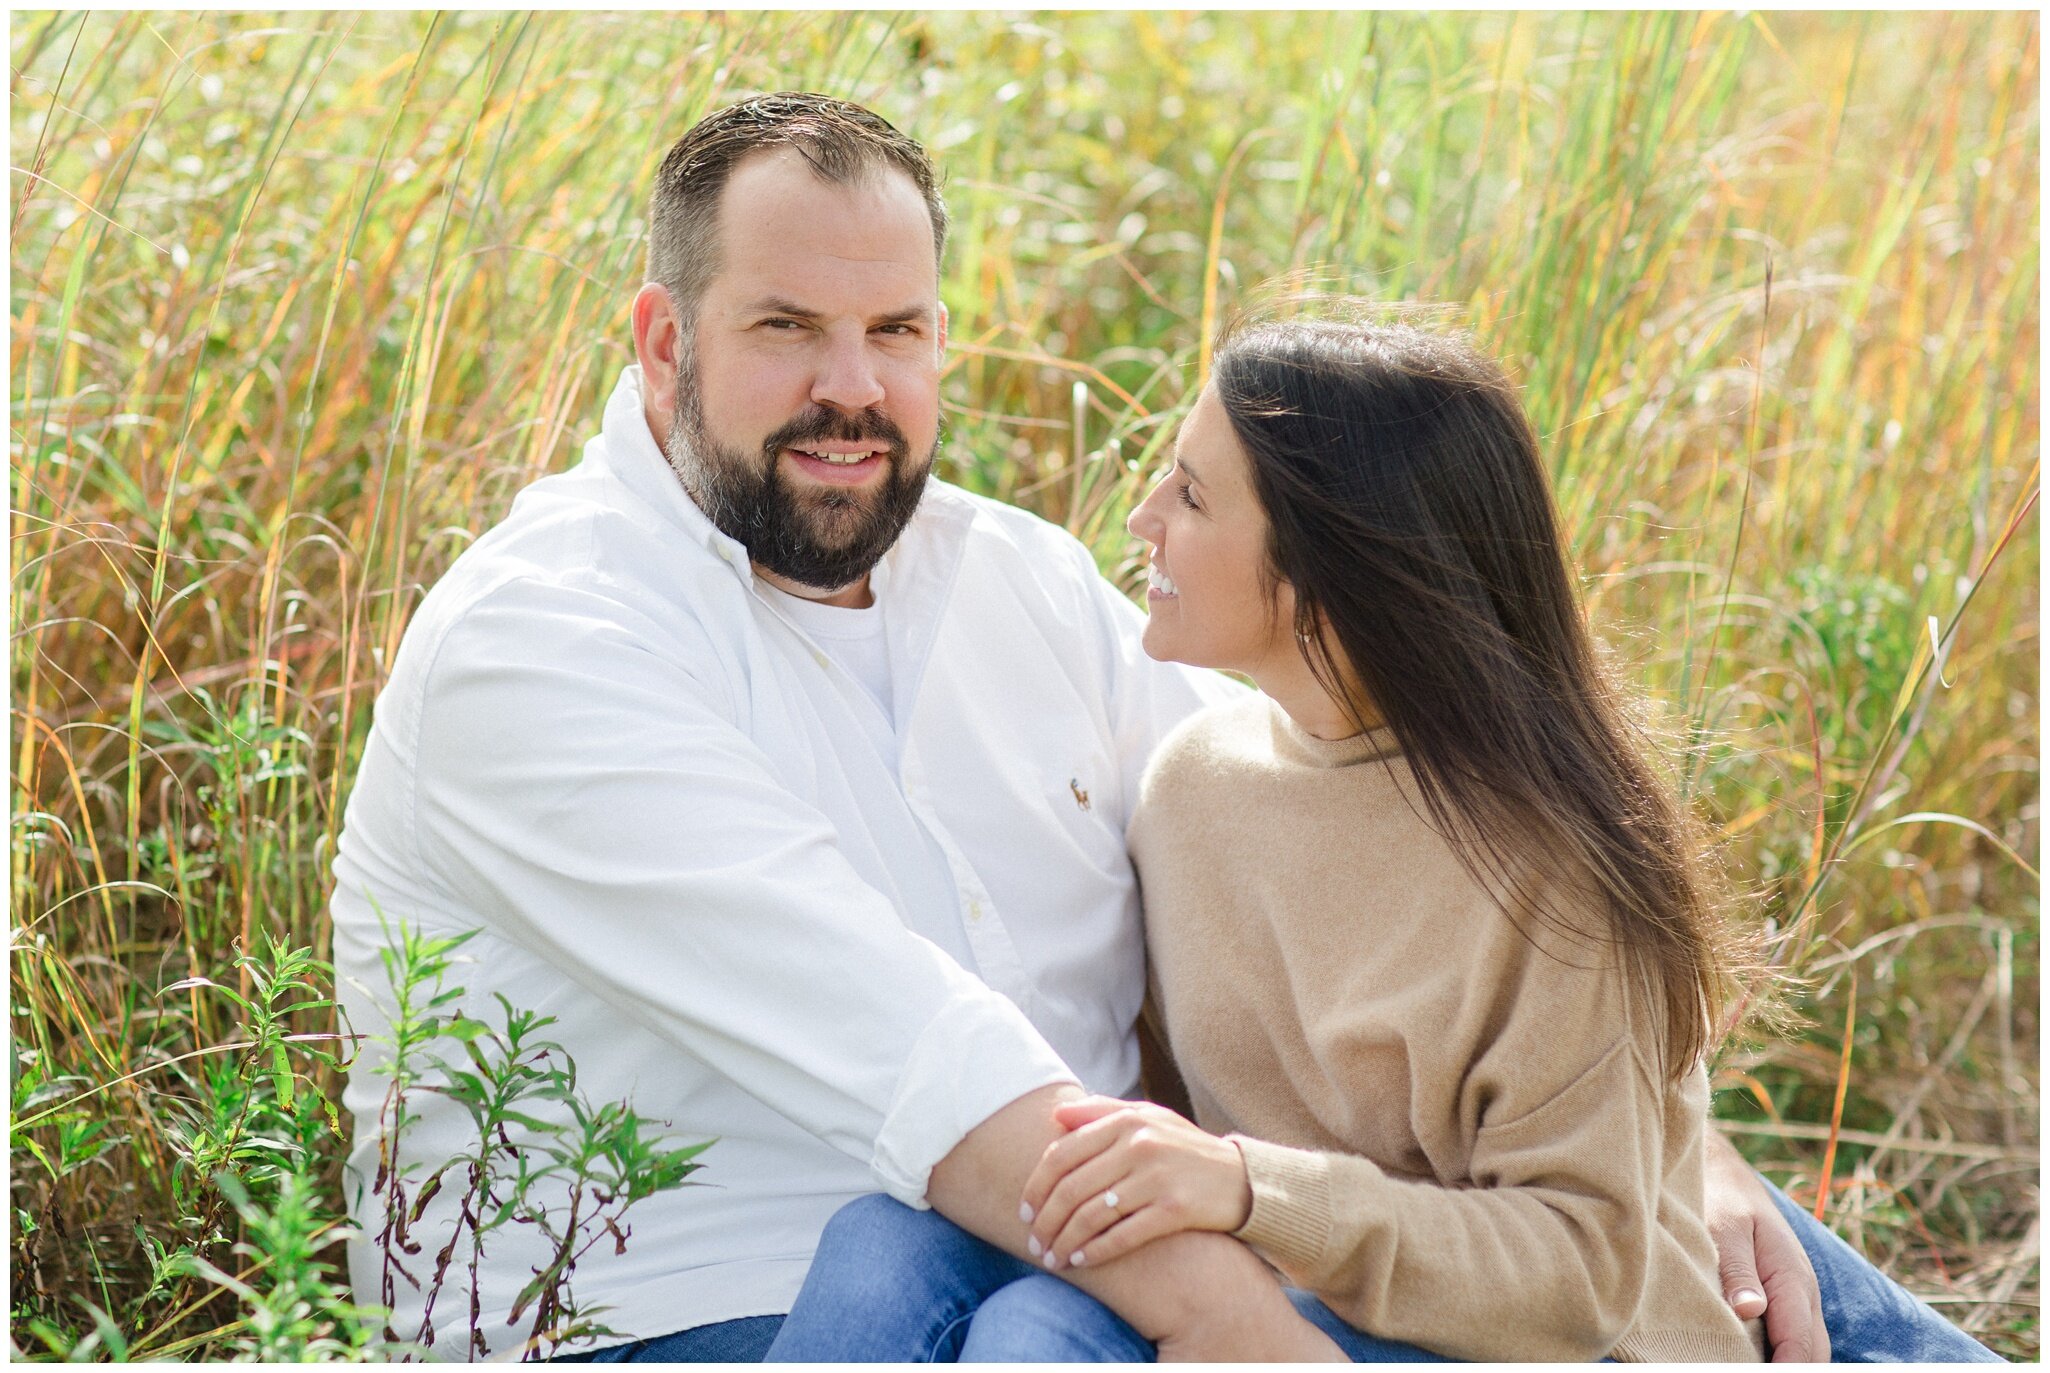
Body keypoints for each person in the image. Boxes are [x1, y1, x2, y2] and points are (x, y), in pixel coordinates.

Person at [327, 92, 1992, 1361]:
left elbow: (1421, 813)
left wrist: (1663, 1144)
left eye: (896, 332)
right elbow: (924, 1064)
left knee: (1715, 1235)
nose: (854, 387)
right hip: (715, 1301)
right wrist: (1243, 1324)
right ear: (661, 339)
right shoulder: (543, 640)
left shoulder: (1014, 581)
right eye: (785, 329)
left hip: (1138, 1218)